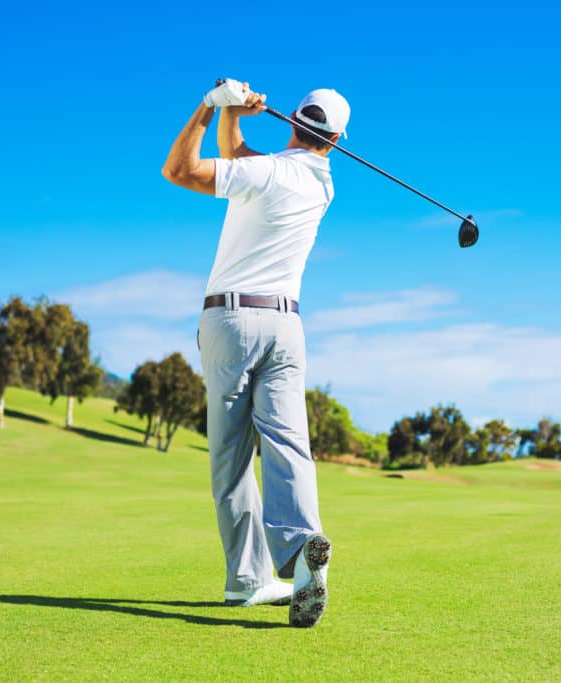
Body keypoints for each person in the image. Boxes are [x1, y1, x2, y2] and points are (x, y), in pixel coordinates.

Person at [161, 78, 350, 628]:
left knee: (231, 457)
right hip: (287, 325)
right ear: (335, 141)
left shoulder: (267, 174)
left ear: (293, 122)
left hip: (231, 320)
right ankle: (300, 547)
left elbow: (180, 171)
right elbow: (238, 159)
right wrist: (235, 117)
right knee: (289, 442)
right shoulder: (320, 184)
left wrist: (207, 105)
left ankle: (247, 579)